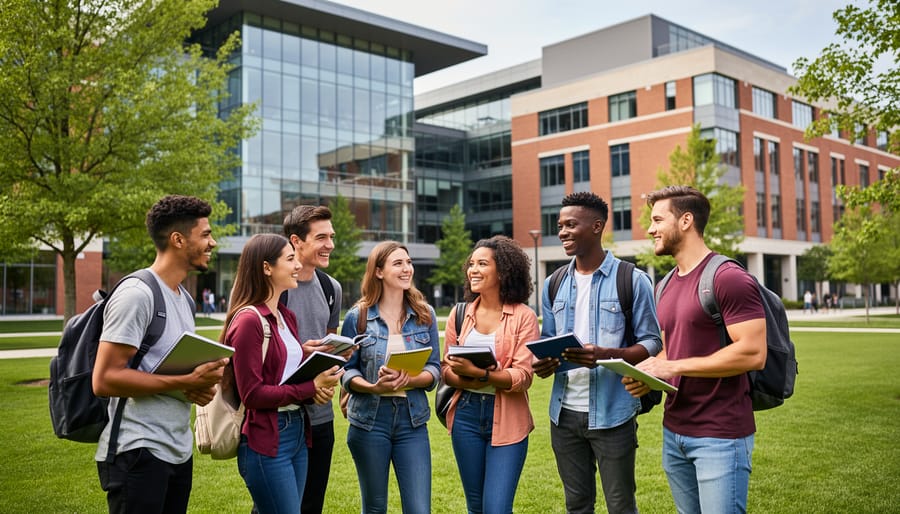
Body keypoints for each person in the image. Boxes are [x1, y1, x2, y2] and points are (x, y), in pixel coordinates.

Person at [627, 185, 766, 514]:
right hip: (675, 431)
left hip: (720, 434)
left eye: (658, 220)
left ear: (686, 220)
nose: (650, 229)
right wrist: (647, 373)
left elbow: (752, 352)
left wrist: (671, 368)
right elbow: (672, 350)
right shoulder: (664, 285)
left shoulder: (728, 277)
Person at [92, 194, 229, 514]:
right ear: (178, 240)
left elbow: (164, 368)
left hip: (177, 450)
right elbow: (104, 379)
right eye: (206, 234)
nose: (213, 242)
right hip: (138, 451)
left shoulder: (183, 298)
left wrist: (197, 384)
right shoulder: (136, 294)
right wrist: (184, 381)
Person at [533, 191, 662, 514]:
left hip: (613, 413)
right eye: (559, 225)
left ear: (596, 226)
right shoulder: (553, 283)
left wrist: (606, 354)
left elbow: (652, 343)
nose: (561, 231)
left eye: (570, 224)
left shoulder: (632, 280)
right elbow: (549, 339)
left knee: (620, 505)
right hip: (563, 415)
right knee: (577, 505)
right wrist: (543, 363)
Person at [225, 233, 343, 514]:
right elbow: (252, 394)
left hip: (298, 433)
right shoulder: (248, 321)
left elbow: (282, 370)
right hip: (267, 437)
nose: (297, 266)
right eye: (290, 259)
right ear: (267, 268)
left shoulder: (284, 317)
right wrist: (311, 388)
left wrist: (310, 357)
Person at [339, 241, 441, 514]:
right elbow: (347, 371)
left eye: (408, 262)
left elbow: (434, 370)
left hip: (412, 421)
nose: (407, 268)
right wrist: (373, 386)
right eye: (398, 263)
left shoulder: (425, 315)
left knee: (419, 509)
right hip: (370, 422)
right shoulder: (357, 317)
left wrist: (409, 380)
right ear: (379, 272)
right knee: (374, 508)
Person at [441, 235, 539, 514]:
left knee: (496, 508)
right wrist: (466, 376)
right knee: (475, 507)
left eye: (482, 264)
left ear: (503, 271)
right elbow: (446, 370)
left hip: (508, 418)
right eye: (471, 264)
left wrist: (480, 374)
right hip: (466, 417)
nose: (473, 270)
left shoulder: (523, 317)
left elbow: (523, 377)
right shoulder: (460, 315)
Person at [281, 205, 347, 514]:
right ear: (296, 241)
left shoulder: (331, 288)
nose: (330, 245)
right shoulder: (276, 286)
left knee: (312, 506)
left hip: (321, 419)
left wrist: (337, 363)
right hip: (279, 416)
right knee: (276, 506)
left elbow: (328, 350)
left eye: (331, 236)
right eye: (321, 237)